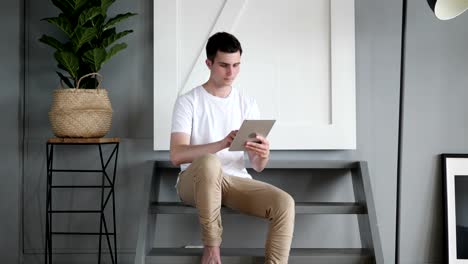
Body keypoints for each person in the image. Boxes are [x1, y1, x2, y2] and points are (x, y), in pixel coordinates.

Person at [170, 32, 295, 264]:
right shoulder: (188, 101)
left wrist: (263, 155)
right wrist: (221, 144)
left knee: (285, 203)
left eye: (236, 65)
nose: (231, 73)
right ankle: (211, 249)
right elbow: (177, 155)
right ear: (209, 63)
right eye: (224, 65)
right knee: (210, 163)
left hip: (235, 181)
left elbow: (257, 167)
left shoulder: (247, 103)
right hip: (196, 182)